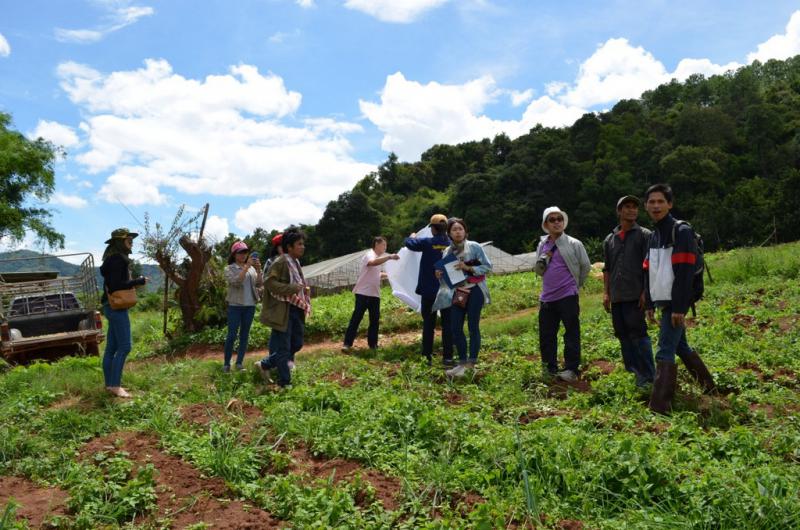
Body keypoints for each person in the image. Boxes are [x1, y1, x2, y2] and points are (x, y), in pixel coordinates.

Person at [643, 184, 715, 414]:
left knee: (665, 350)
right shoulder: (654, 235)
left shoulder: (680, 231)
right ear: (646, 206)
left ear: (670, 204)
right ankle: (711, 388)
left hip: (675, 302)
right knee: (681, 346)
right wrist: (650, 304)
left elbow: (684, 272)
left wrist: (679, 307)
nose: (656, 206)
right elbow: (649, 271)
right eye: (652, 202)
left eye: (660, 201)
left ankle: (659, 409)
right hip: (663, 300)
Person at [603, 195, 656, 387]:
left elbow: (650, 265)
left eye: (635, 207)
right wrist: (606, 293)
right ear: (619, 211)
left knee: (638, 333)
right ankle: (632, 372)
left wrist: (645, 291)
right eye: (627, 207)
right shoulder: (610, 239)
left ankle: (649, 375)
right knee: (622, 334)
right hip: (617, 296)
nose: (632, 210)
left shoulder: (644, 235)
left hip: (636, 294)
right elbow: (607, 268)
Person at [534, 207, 591, 382]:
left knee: (571, 332)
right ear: (546, 224)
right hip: (547, 297)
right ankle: (549, 368)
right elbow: (540, 268)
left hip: (568, 295)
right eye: (552, 220)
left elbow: (585, 267)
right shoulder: (542, 245)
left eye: (559, 219)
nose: (557, 222)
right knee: (547, 335)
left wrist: (575, 286)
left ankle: (571, 369)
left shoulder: (574, 243)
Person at [432, 219, 493, 378]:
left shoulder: (474, 247)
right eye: (454, 230)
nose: (458, 232)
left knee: (473, 326)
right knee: (456, 328)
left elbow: (487, 266)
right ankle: (461, 362)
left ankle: (471, 364)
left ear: (465, 231)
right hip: (457, 292)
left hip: (474, 291)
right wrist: (439, 275)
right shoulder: (446, 252)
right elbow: (446, 278)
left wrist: (467, 267)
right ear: (449, 234)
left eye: (460, 229)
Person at [255, 227, 310, 388]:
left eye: (302, 244)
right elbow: (269, 283)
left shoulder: (296, 262)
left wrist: (302, 290)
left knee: (297, 343)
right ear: (289, 247)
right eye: (299, 244)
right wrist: (292, 288)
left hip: (296, 308)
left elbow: (297, 284)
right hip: (283, 309)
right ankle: (284, 383)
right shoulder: (280, 262)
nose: (302, 247)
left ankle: (265, 364)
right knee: (284, 347)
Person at [100, 228, 147, 398]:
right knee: (125, 347)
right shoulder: (117, 260)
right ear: (120, 242)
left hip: (110, 306)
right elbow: (116, 285)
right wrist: (138, 281)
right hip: (116, 308)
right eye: (128, 239)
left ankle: (109, 384)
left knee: (112, 348)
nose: (131, 241)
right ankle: (115, 385)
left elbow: (113, 284)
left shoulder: (111, 259)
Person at [404, 214, 454, 366]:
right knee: (448, 325)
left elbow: (409, 243)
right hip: (447, 291)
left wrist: (412, 236)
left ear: (432, 229)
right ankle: (447, 357)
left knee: (428, 325)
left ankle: (427, 357)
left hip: (429, 291)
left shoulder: (427, 243)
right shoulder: (452, 244)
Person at [342, 237, 399, 351]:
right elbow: (371, 263)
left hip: (374, 294)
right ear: (377, 244)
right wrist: (389, 257)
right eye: (384, 245)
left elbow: (376, 274)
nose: (385, 248)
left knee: (374, 320)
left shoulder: (377, 258)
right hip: (363, 293)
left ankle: (373, 345)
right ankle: (347, 344)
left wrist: (389, 275)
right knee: (356, 318)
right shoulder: (370, 255)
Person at [223, 241, 263, 372]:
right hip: (235, 306)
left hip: (249, 306)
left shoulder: (252, 269)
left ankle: (239, 363)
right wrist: (246, 267)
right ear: (234, 254)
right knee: (231, 335)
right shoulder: (229, 268)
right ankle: (227, 363)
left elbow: (259, 284)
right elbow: (236, 282)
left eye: (245, 252)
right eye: (240, 252)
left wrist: (259, 270)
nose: (243, 255)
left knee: (244, 335)